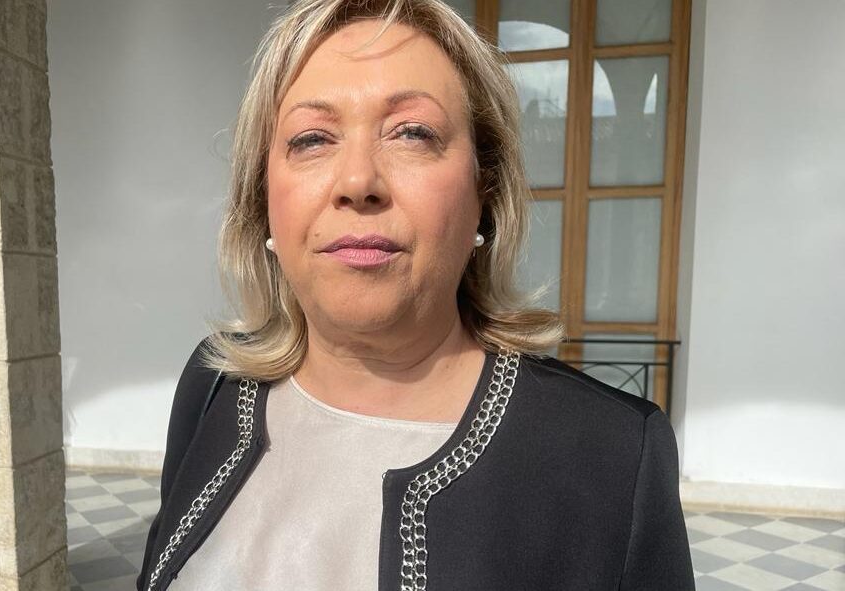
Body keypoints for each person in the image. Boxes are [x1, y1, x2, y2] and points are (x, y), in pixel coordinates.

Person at [137, 0, 695, 589]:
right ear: (264, 197)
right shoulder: (214, 384)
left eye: (412, 132)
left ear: (484, 191)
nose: (358, 182)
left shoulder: (611, 453)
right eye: (312, 139)